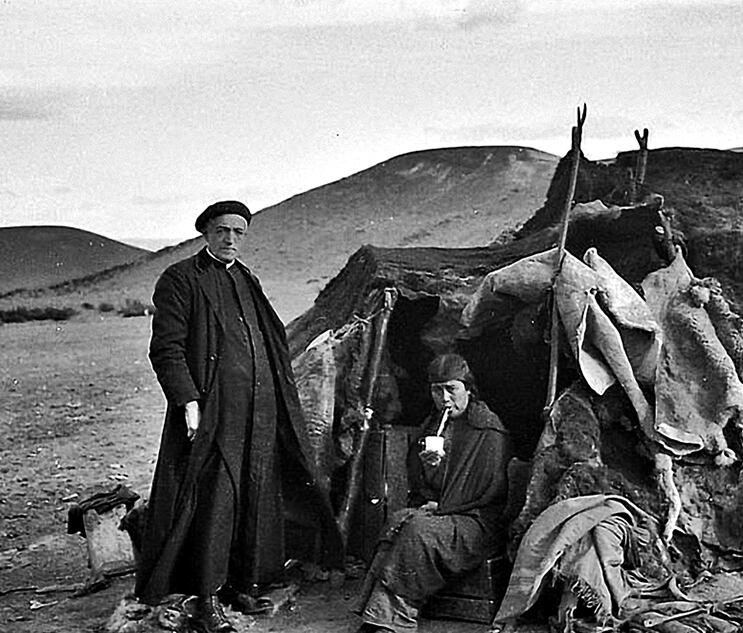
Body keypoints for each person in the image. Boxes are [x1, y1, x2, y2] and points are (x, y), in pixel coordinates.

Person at [135, 200, 343, 633]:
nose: (231, 239)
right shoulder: (180, 279)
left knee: (256, 492)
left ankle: (240, 583)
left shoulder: (247, 279)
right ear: (206, 233)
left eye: (239, 232)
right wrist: (188, 402)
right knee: (216, 497)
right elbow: (167, 348)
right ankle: (206, 595)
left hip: (261, 410)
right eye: (222, 230)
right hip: (214, 411)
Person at [356, 353, 511, 633]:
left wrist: (440, 506)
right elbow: (425, 487)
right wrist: (430, 469)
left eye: (451, 389)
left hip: (476, 521)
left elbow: (485, 491)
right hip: (444, 512)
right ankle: (377, 614)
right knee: (397, 522)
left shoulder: (488, 430)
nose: (444, 398)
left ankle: (394, 621)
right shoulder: (432, 427)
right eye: (437, 390)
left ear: (468, 389)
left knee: (417, 530)